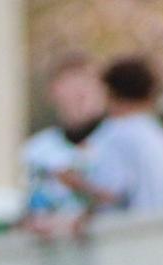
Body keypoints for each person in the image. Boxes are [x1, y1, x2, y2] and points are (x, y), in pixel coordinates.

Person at [65, 57, 163, 216]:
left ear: (110, 92)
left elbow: (110, 192)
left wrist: (73, 181)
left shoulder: (118, 134)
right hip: (162, 229)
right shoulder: (159, 134)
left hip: (129, 232)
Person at [21, 53, 107, 235]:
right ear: (53, 92)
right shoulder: (37, 150)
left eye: (86, 82)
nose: (80, 93)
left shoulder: (115, 142)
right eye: (69, 85)